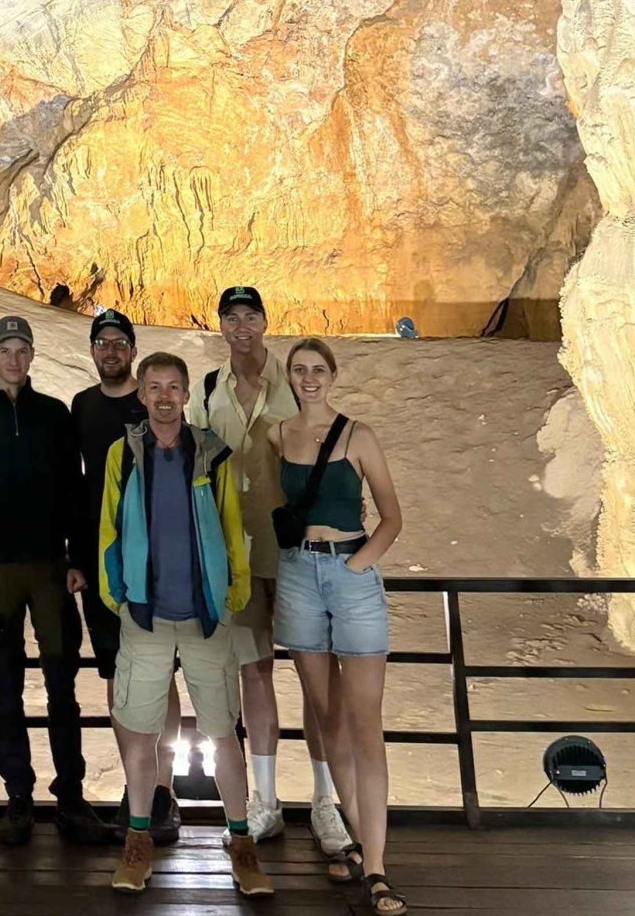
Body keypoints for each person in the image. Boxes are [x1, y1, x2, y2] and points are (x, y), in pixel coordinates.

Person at [98, 352, 273, 897]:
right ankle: (138, 841)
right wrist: (116, 592)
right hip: (145, 614)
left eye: (174, 387)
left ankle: (241, 842)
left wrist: (233, 590)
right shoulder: (123, 453)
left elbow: (230, 523)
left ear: (186, 394)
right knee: (141, 734)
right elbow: (108, 524)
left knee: (222, 731)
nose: (164, 397)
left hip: (204, 614)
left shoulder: (210, 453)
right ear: (142, 395)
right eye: (154, 388)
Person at [188, 286, 346, 851]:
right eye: (231, 317)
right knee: (254, 673)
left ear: (263, 322)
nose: (241, 327)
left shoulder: (296, 383)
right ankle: (266, 801)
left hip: (295, 554)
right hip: (237, 556)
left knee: (314, 673)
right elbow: (193, 462)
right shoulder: (208, 389)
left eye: (250, 316)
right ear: (221, 326)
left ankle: (326, 802)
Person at [0, 315, 108, 846]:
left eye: (22, 349)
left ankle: (70, 797)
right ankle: (18, 797)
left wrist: (76, 559)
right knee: (8, 688)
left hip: (48, 568)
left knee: (62, 684)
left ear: (32, 355)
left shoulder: (53, 414)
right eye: (6, 350)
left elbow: (73, 491)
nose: (14, 359)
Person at [268, 338, 405, 916]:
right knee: (327, 718)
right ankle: (357, 841)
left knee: (365, 723)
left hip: (350, 575)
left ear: (333, 375)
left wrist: (355, 565)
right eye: (299, 370)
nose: (309, 378)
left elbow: (392, 516)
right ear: (289, 377)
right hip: (299, 575)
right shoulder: (276, 436)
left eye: (318, 369)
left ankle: (375, 867)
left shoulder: (358, 435)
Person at [70, 310, 182, 844]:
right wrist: (77, 558)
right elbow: (78, 487)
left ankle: (163, 789)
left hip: (156, 561)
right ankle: (137, 786)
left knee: (162, 673)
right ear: (93, 351)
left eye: (119, 342)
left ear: (133, 351)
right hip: (103, 559)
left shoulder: (152, 404)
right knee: (118, 673)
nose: (110, 350)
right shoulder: (83, 406)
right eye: (102, 342)